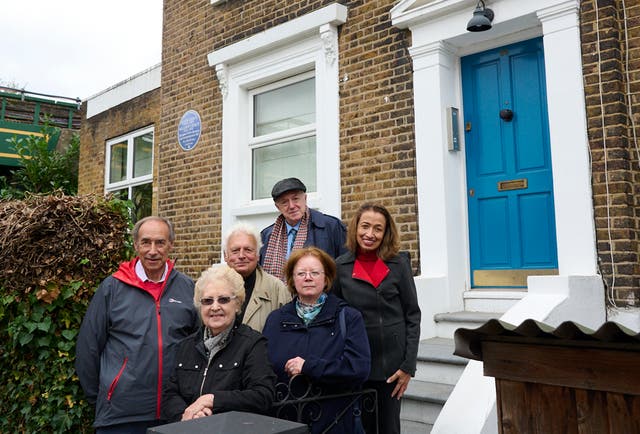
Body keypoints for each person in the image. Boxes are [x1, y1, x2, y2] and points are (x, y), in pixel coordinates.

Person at [75, 216, 199, 434]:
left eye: (160, 242)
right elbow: (88, 348)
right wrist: (104, 398)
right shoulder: (112, 288)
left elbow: (199, 345)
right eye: (146, 242)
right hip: (121, 415)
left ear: (171, 245)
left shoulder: (188, 288)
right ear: (135, 245)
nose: (153, 250)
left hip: (175, 412)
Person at [332, 204, 421, 434]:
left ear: (386, 233)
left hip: (391, 367)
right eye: (365, 226)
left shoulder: (399, 264)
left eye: (378, 229)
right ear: (355, 228)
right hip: (357, 362)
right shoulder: (341, 266)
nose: (370, 234)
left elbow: (412, 314)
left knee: (388, 428)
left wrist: (408, 366)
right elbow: (334, 314)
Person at [262, 247, 371, 434]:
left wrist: (309, 367)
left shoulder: (348, 317)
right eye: (301, 273)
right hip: (286, 423)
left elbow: (358, 368)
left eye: (315, 272)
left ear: (326, 278)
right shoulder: (275, 320)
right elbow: (264, 369)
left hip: (335, 422)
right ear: (292, 279)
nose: (308, 277)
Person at [161, 264, 276, 422]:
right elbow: (170, 394)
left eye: (223, 299)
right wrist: (186, 414)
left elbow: (263, 395)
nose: (215, 307)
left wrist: (213, 400)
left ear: (237, 304)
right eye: (208, 301)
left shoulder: (252, 344)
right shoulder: (187, 346)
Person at [260, 177, 347, 281]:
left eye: (295, 199)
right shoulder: (266, 236)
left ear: (305, 198)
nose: (291, 206)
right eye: (284, 202)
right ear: (277, 207)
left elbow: (345, 270)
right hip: (276, 297)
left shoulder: (331, 226)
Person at [223, 222, 291, 332]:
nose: (241, 256)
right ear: (225, 255)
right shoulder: (211, 288)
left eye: (248, 250)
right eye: (235, 250)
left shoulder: (277, 290)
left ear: (258, 255)